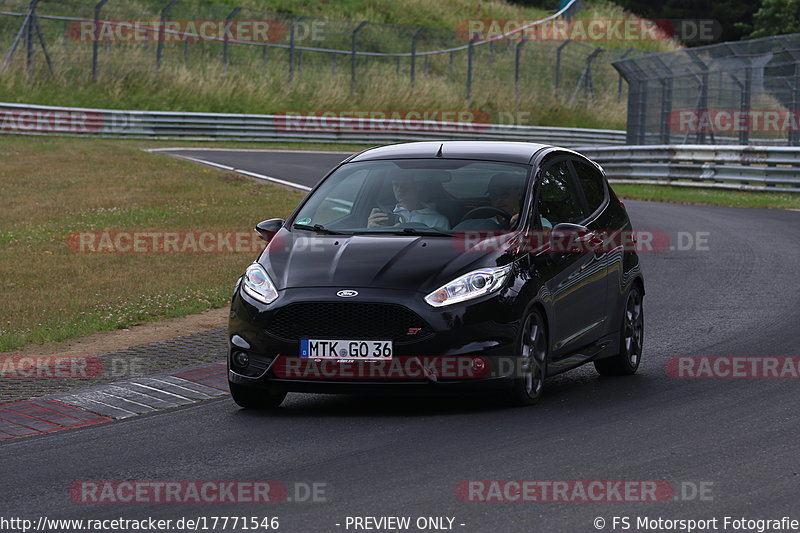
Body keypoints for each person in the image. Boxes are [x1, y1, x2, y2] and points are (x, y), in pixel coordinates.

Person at [367, 172, 450, 230]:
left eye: (405, 185)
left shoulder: (438, 220)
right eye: (396, 185)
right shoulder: (385, 215)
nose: (400, 190)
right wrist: (369, 230)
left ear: (417, 186)